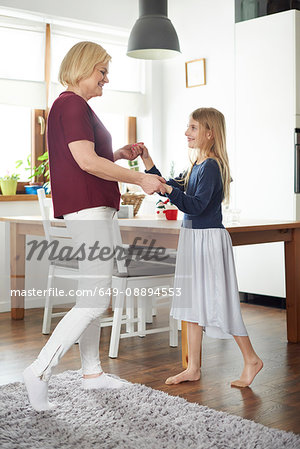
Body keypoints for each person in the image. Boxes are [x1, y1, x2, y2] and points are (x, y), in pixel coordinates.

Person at [23, 41, 166, 411]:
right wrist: (140, 180)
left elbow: (86, 157)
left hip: (93, 208)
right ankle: (39, 371)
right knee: (95, 298)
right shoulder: (72, 105)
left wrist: (117, 155)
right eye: (102, 71)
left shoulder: (73, 107)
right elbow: (86, 162)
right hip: (88, 210)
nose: (106, 79)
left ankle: (92, 372)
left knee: (94, 295)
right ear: (83, 68)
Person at [140, 107, 263, 388]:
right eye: (188, 127)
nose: (187, 132)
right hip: (193, 238)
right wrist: (147, 161)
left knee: (221, 302)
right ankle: (192, 367)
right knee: (191, 303)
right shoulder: (197, 164)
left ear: (210, 133)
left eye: (193, 128)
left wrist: (171, 192)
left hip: (208, 240)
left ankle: (251, 359)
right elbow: (170, 185)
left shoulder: (211, 166)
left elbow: (194, 205)